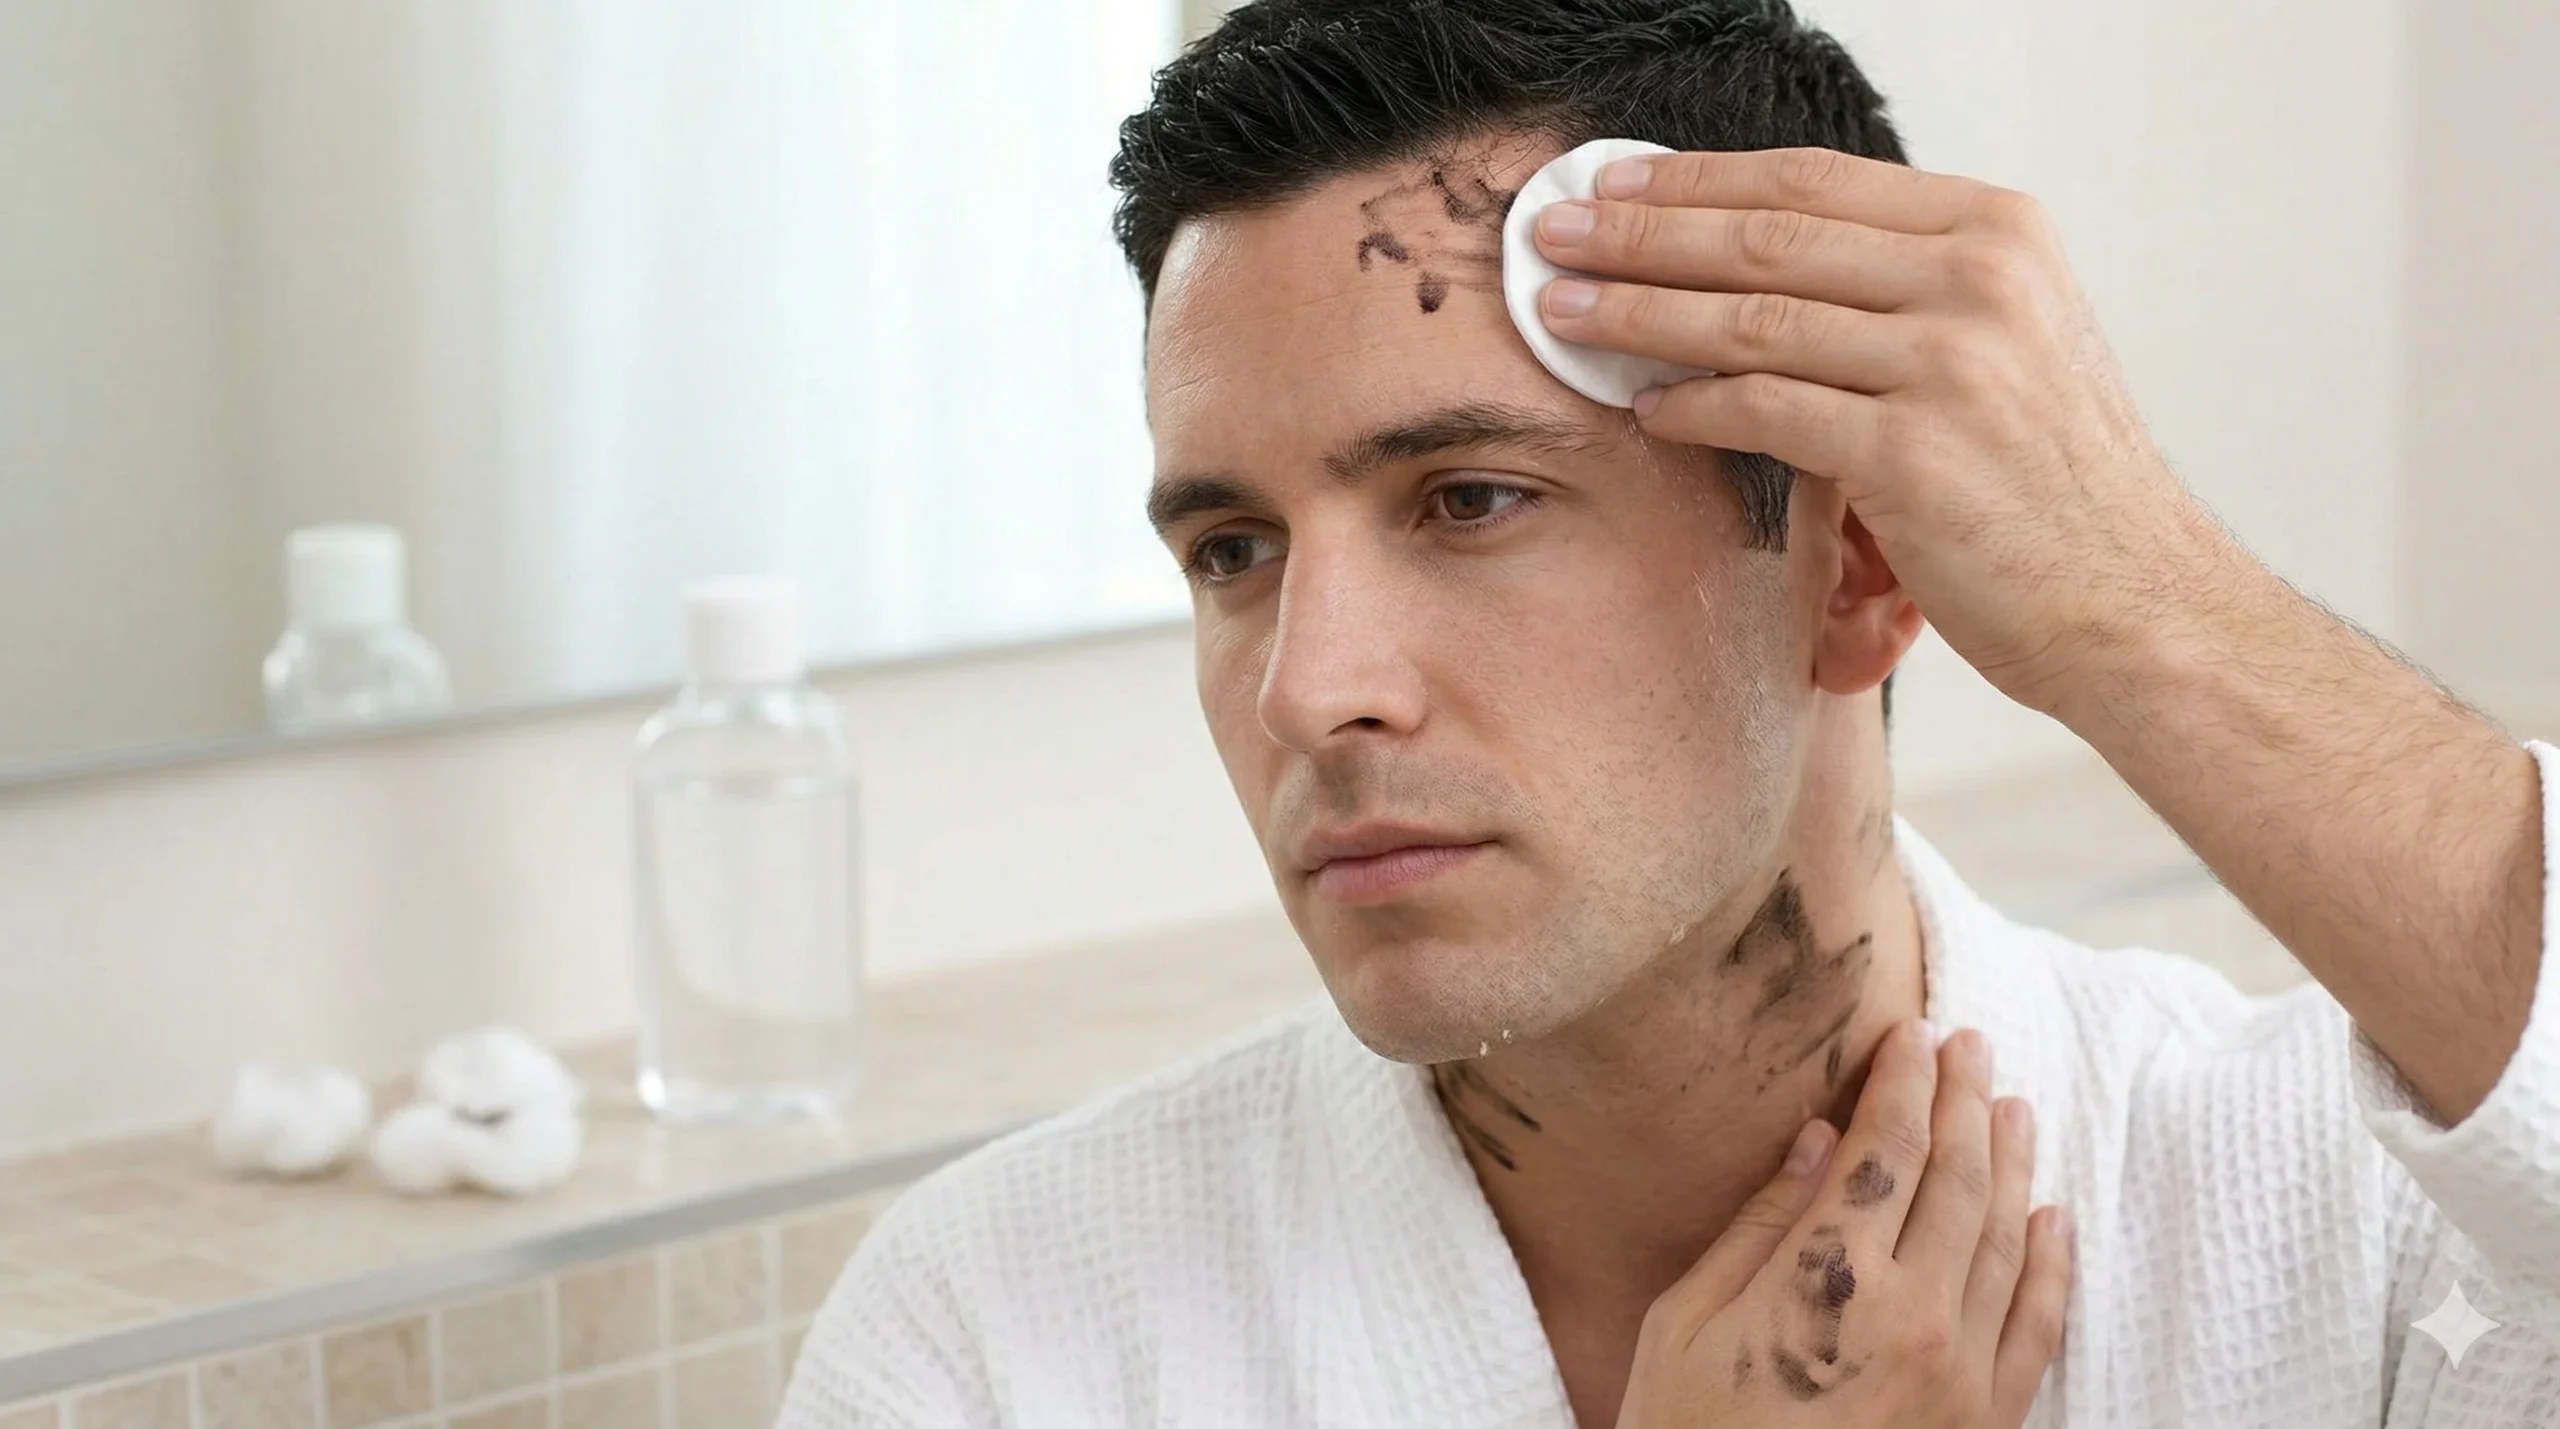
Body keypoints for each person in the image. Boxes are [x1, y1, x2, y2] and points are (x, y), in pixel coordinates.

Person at [780, 2, 2560, 1424]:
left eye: (1468, 499)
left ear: (1859, 564)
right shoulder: (998, 1337)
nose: (1308, 687)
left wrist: (2140, 589)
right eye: (1233, 547)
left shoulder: (2348, 1232)